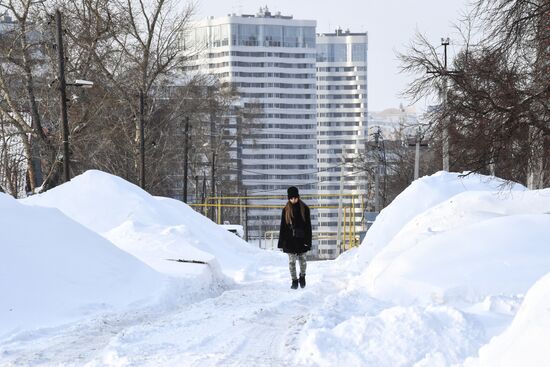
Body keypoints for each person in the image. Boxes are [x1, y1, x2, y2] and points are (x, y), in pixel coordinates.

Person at [278, 186, 312, 289]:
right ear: (289, 198)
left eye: (295, 198)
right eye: (291, 198)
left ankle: (302, 276)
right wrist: (281, 242)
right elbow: (282, 226)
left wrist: (308, 241)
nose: (293, 200)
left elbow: (308, 227)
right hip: (290, 241)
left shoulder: (304, 208)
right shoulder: (286, 210)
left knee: (302, 260)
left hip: (302, 239)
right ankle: (294, 280)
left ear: (298, 197)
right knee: (291, 261)